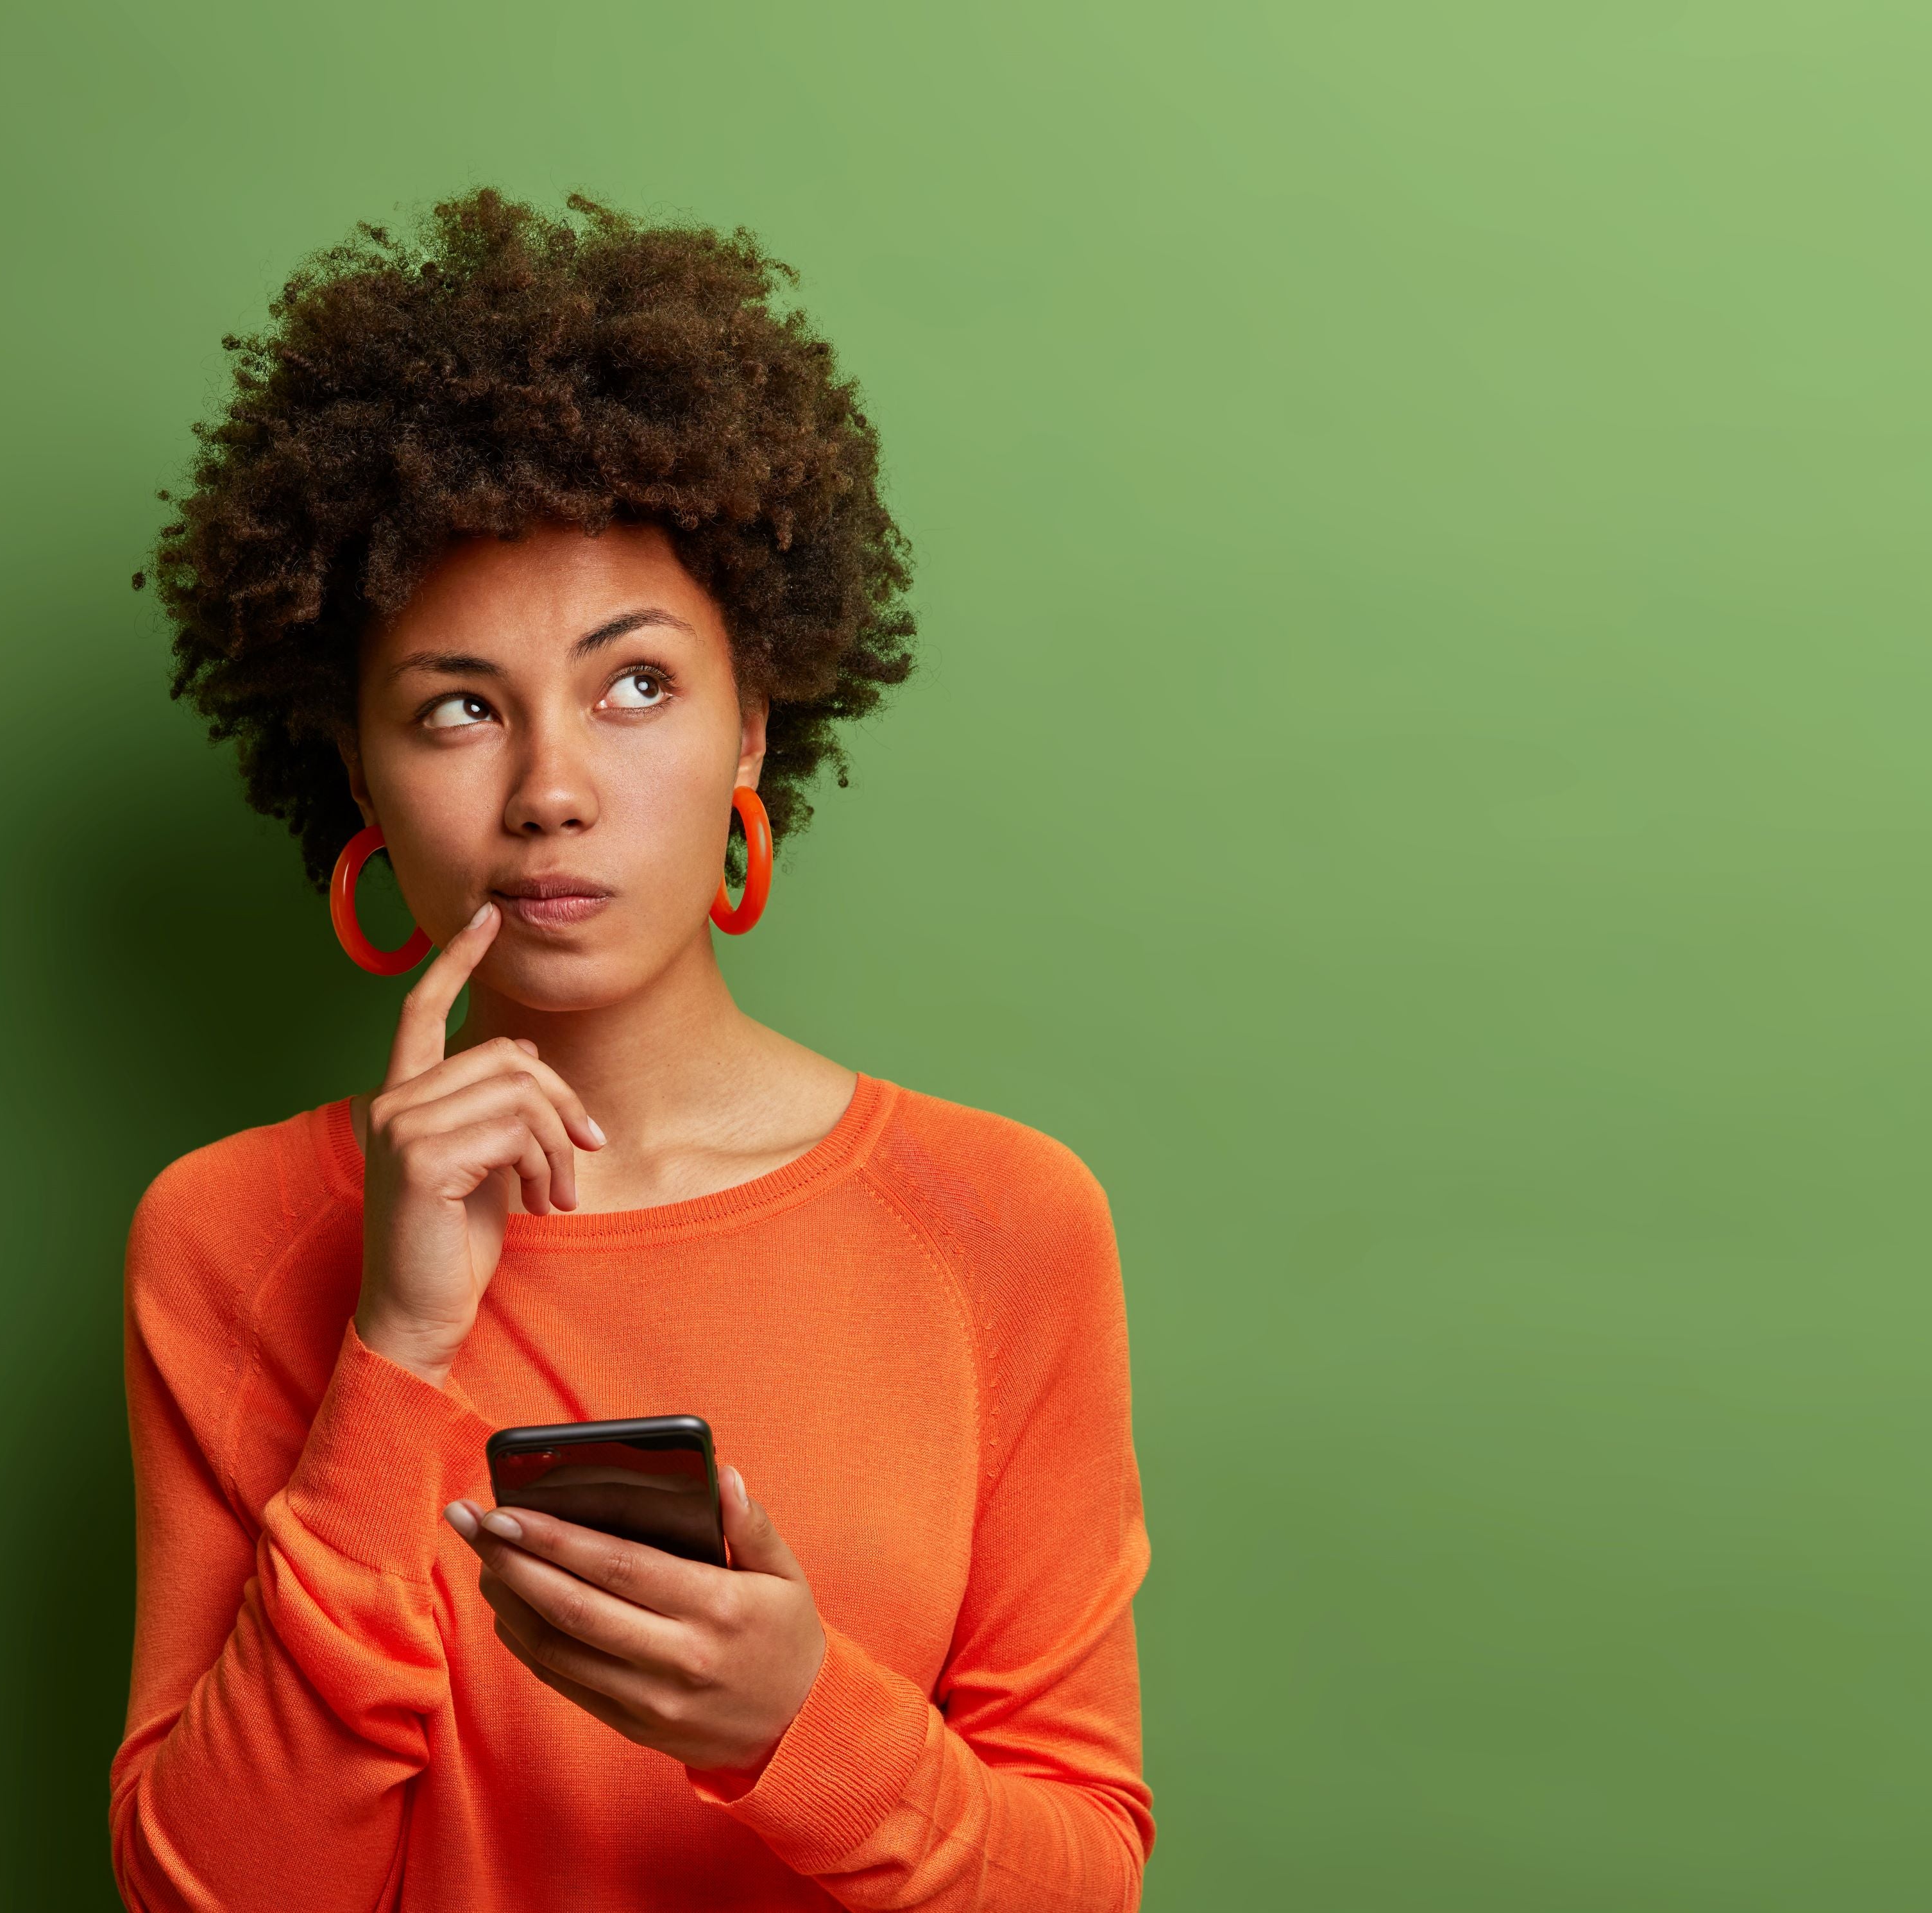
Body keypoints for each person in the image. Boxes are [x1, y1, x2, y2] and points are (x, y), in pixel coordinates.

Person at [110, 191, 1149, 1912]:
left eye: (637, 686)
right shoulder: (231, 1240)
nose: (551, 790)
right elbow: (207, 1896)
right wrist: (399, 1343)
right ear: (358, 777)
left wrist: (795, 1723)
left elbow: (1082, 1885)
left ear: (757, 715)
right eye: (459, 706)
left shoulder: (1004, 1220)